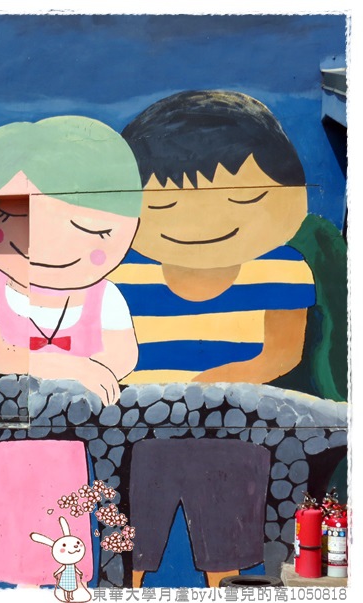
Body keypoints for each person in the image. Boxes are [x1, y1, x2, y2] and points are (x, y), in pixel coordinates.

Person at [0, 115, 143, 586]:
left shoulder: (105, 296)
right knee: (12, 537)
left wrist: (93, 372)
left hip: (75, 446)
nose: (52, 245)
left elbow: (124, 356)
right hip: (2, 441)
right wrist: (77, 368)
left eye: (91, 231)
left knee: (70, 538)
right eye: (14, 218)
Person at [116, 90, 316, 587]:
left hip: (232, 428)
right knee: (130, 549)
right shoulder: (121, 271)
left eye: (244, 199)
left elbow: (282, 351)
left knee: (226, 546)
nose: (197, 223)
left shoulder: (282, 268)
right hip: (136, 429)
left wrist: (206, 390)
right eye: (163, 204)